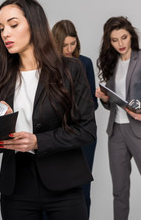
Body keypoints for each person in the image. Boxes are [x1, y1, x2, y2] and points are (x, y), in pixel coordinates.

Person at [0, 0, 96, 220]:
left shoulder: (70, 69)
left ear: (34, 24)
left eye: (13, 25)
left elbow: (86, 130)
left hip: (64, 184)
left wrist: (38, 142)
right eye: (1, 28)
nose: (5, 33)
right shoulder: (2, 77)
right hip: (16, 186)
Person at [95, 16, 141, 220]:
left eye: (124, 37)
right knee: (119, 191)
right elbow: (112, 102)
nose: (120, 43)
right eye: (114, 40)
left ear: (131, 36)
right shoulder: (111, 63)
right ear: (109, 42)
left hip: (140, 130)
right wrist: (104, 98)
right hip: (116, 132)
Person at [51, 19, 97, 218]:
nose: (69, 49)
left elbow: (92, 105)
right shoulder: (48, 66)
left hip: (81, 134)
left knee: (82, 190)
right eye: (64, 45)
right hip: (56, 133)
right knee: (53, 189)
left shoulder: (84, 63)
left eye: (73, 43)